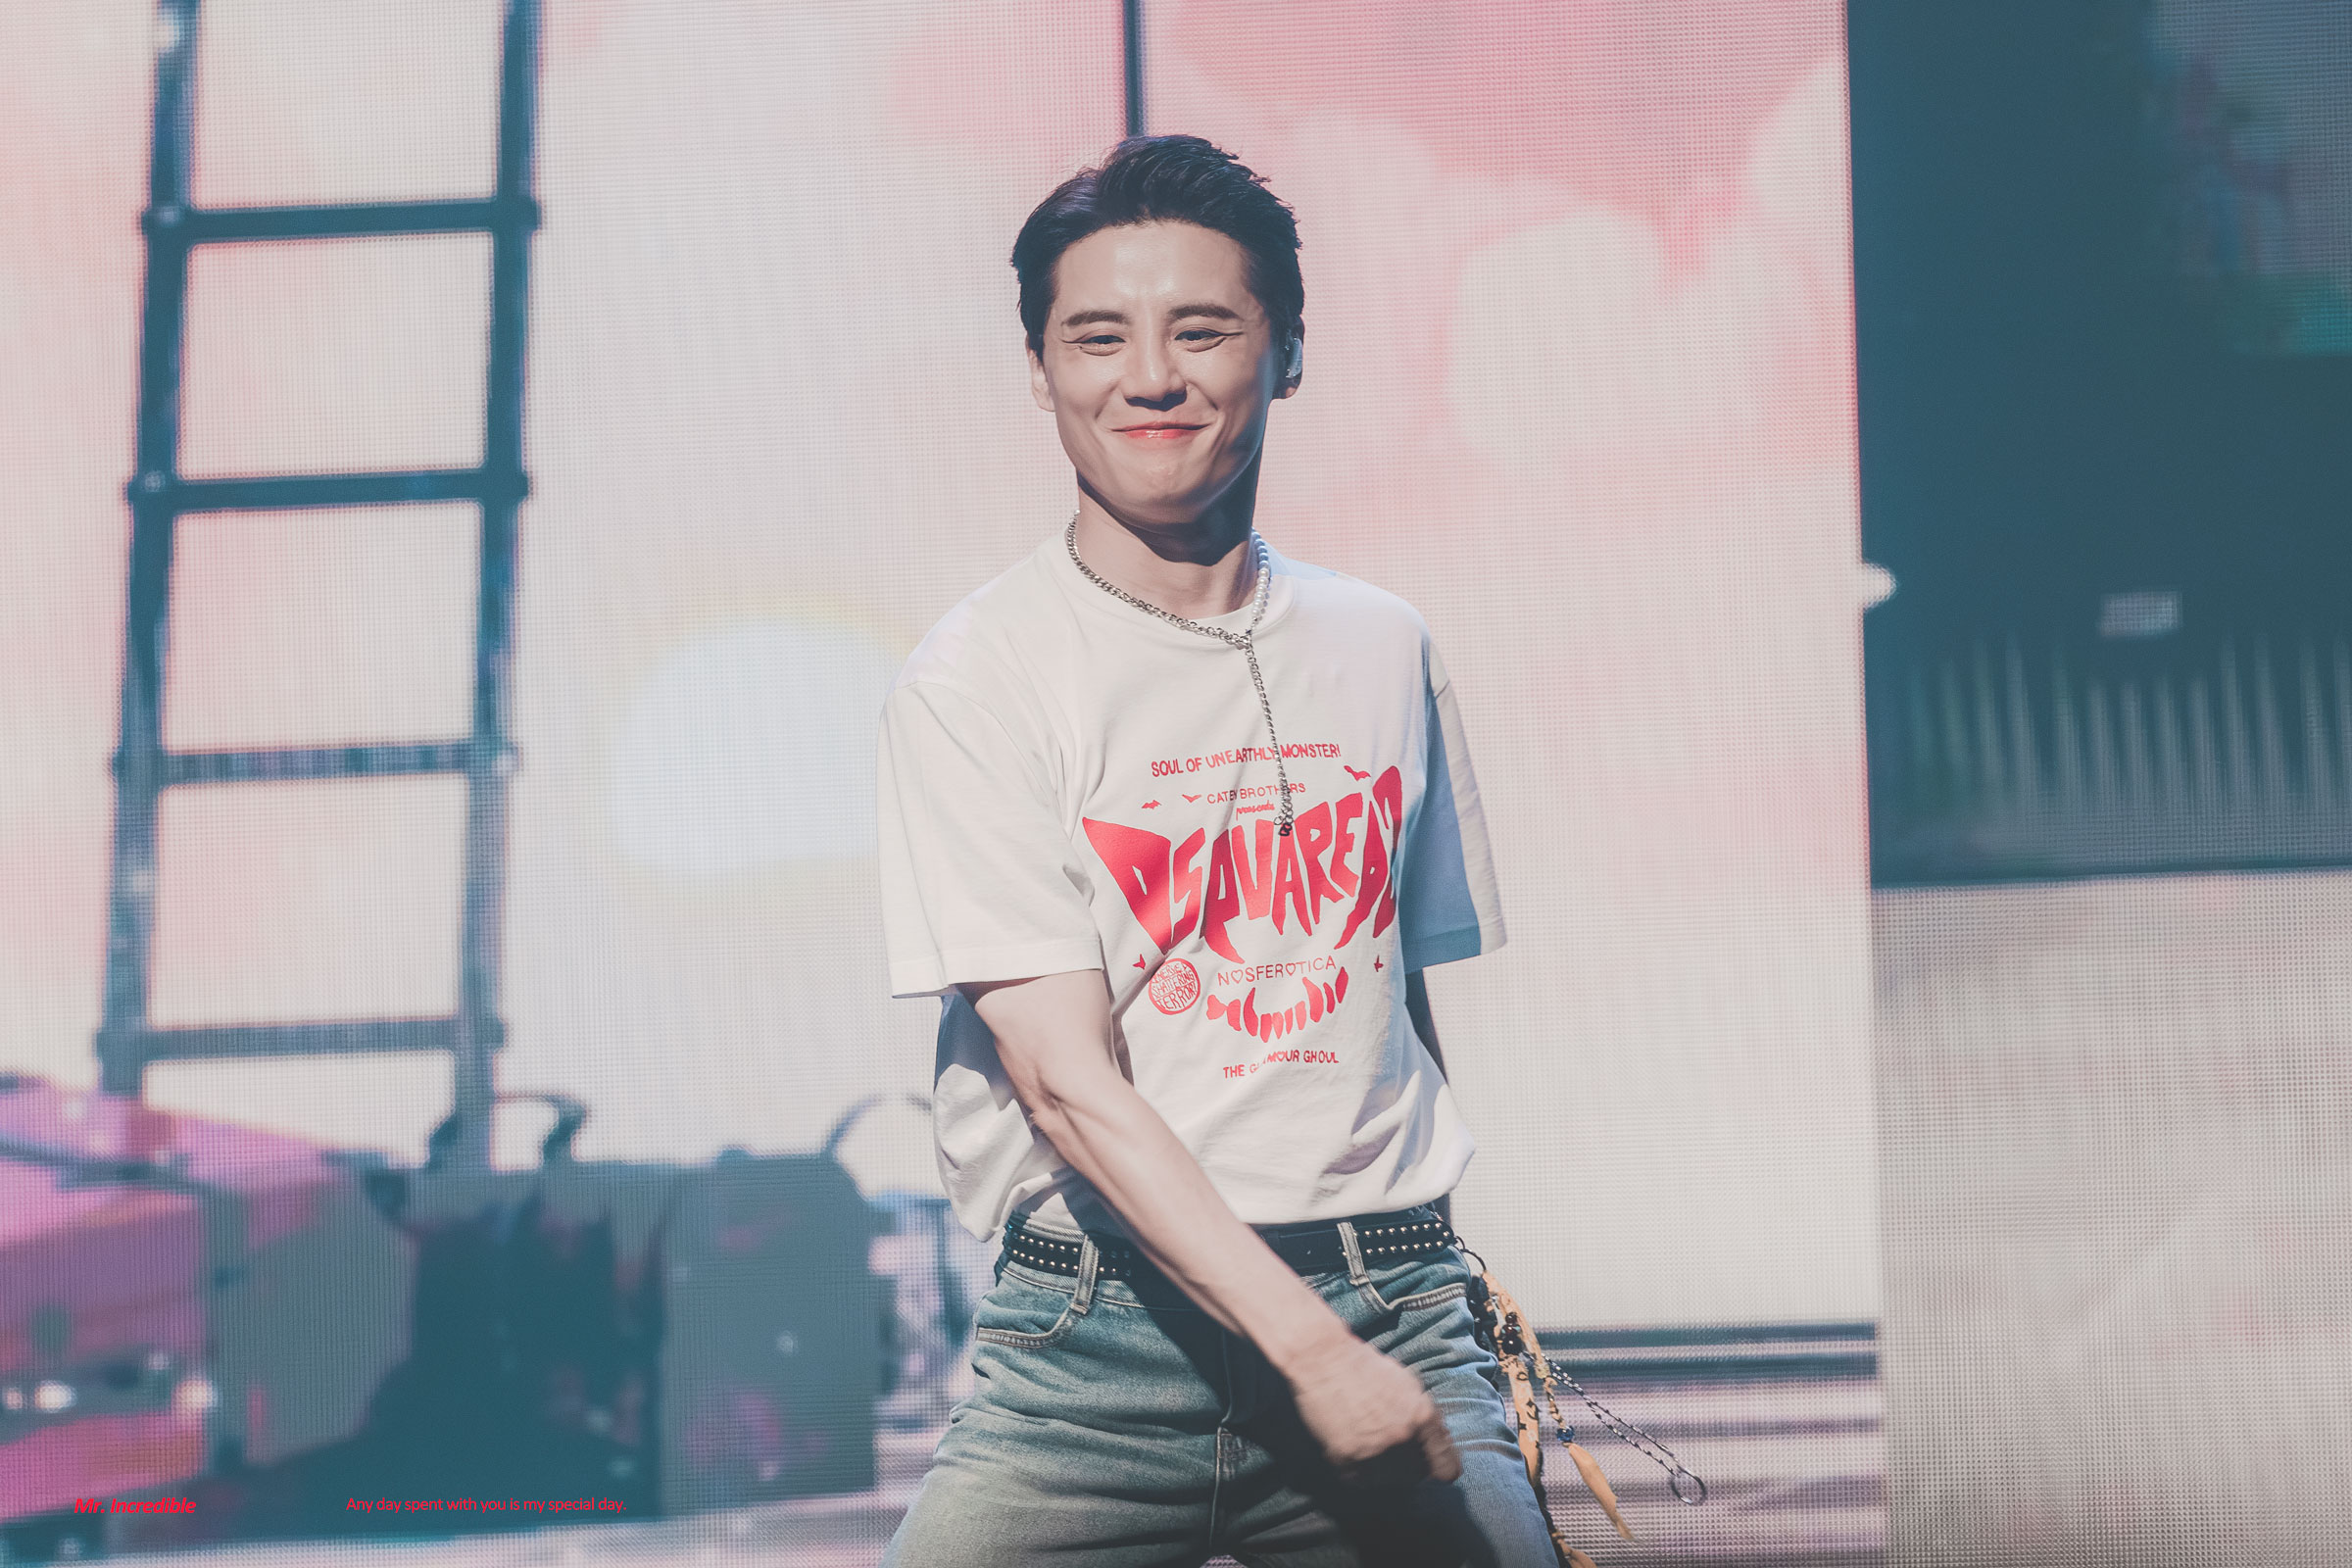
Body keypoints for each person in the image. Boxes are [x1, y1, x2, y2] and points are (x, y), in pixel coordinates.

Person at [876, 134, 1555, 1567]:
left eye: (1201, 330)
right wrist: (1309, 1351)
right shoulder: (979, 675)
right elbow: (1063, 1085)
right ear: (1041, 369)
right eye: (1096, 337)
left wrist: (1425, 1285)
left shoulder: (1382, 644)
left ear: (1287, 352)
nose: (1150, 378)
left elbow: (1392, 1003)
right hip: (1093, 1351)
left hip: (1388, 1308)